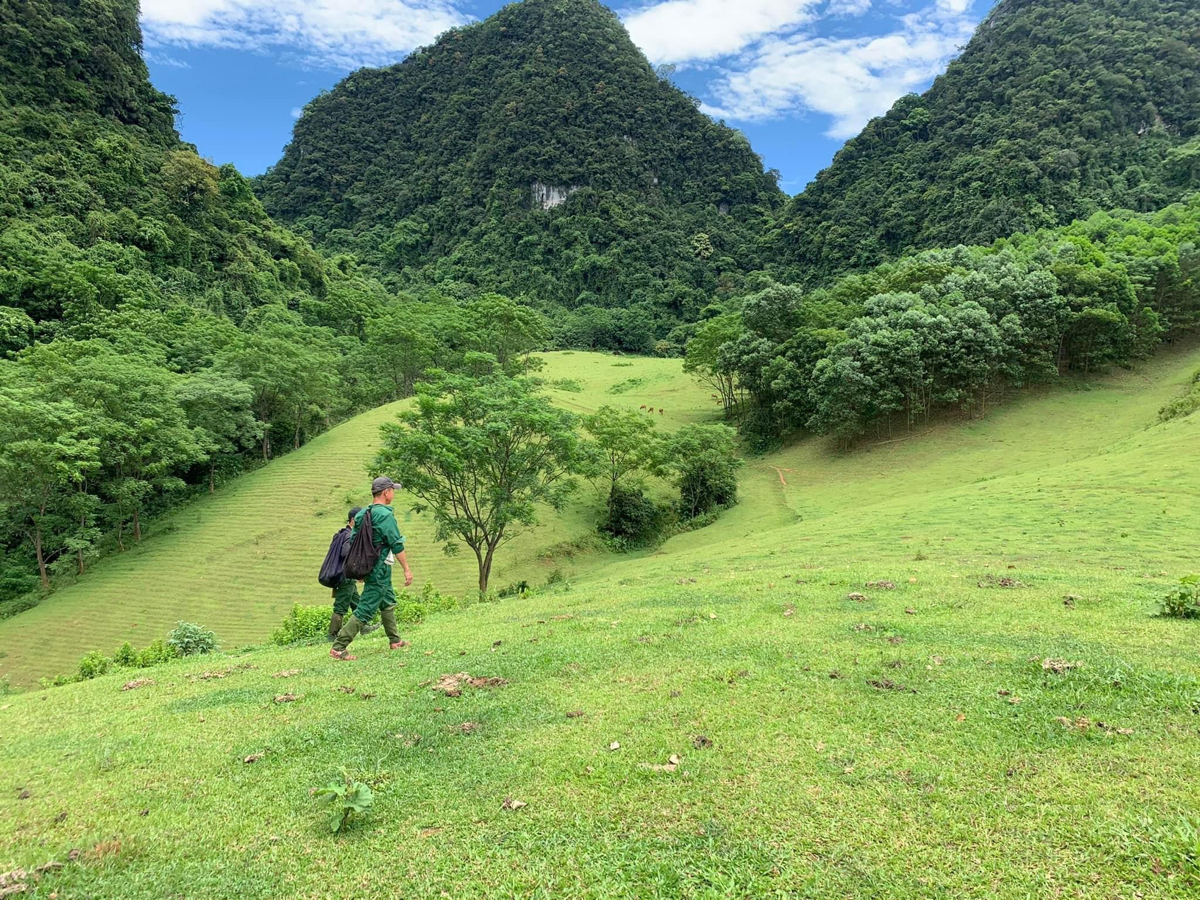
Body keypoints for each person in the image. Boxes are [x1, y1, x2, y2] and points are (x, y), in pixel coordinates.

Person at [330, 476, 414, 660]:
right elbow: (396, 544)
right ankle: (339, 646)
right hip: (380, 567)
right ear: (386, 492)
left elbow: (354, 542)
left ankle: (395, 640)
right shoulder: (384, 515)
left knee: (387, 601)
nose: (393, 493)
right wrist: (407, 569)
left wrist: (362, 569)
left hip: (369, 566)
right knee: (366, 608)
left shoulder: (362, 514)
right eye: (392, 490)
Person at [326, 507, 380, 642]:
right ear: (352, 520)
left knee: (357, 601)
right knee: (340, 607)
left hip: (343, 576)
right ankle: (332, 635)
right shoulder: (350, 536)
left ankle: (364, 627)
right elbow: (346, 553)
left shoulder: (341, 533)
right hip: (345, 578)